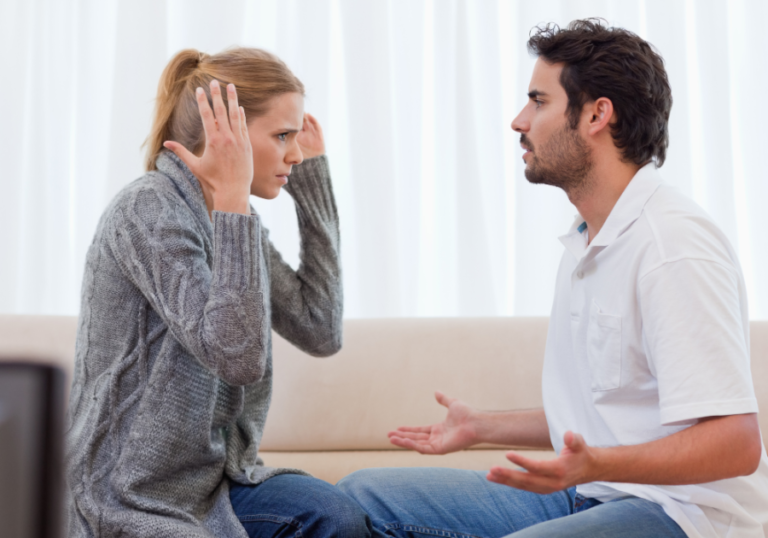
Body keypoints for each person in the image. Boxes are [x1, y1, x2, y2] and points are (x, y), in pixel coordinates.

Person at [338, 19, 768, 538]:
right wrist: (482, 427)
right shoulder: (588, 238)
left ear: (596, 114)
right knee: (361, 496)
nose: (519, 121)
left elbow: (737, 444)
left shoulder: (672, 247)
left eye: (538, 101)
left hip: (682, 514)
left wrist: (598, 465)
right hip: (590, 495)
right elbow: (605, 409)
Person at [66, 48, 373, 537]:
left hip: (214, 483)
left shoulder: (236, 223)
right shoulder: (149, 210)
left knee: (334, 516)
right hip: (128, 495)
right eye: (281, 136)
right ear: (222, 136)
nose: (295, 154)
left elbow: (321, 328)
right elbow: (236, 355)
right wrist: (234, 200)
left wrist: (311, 187)